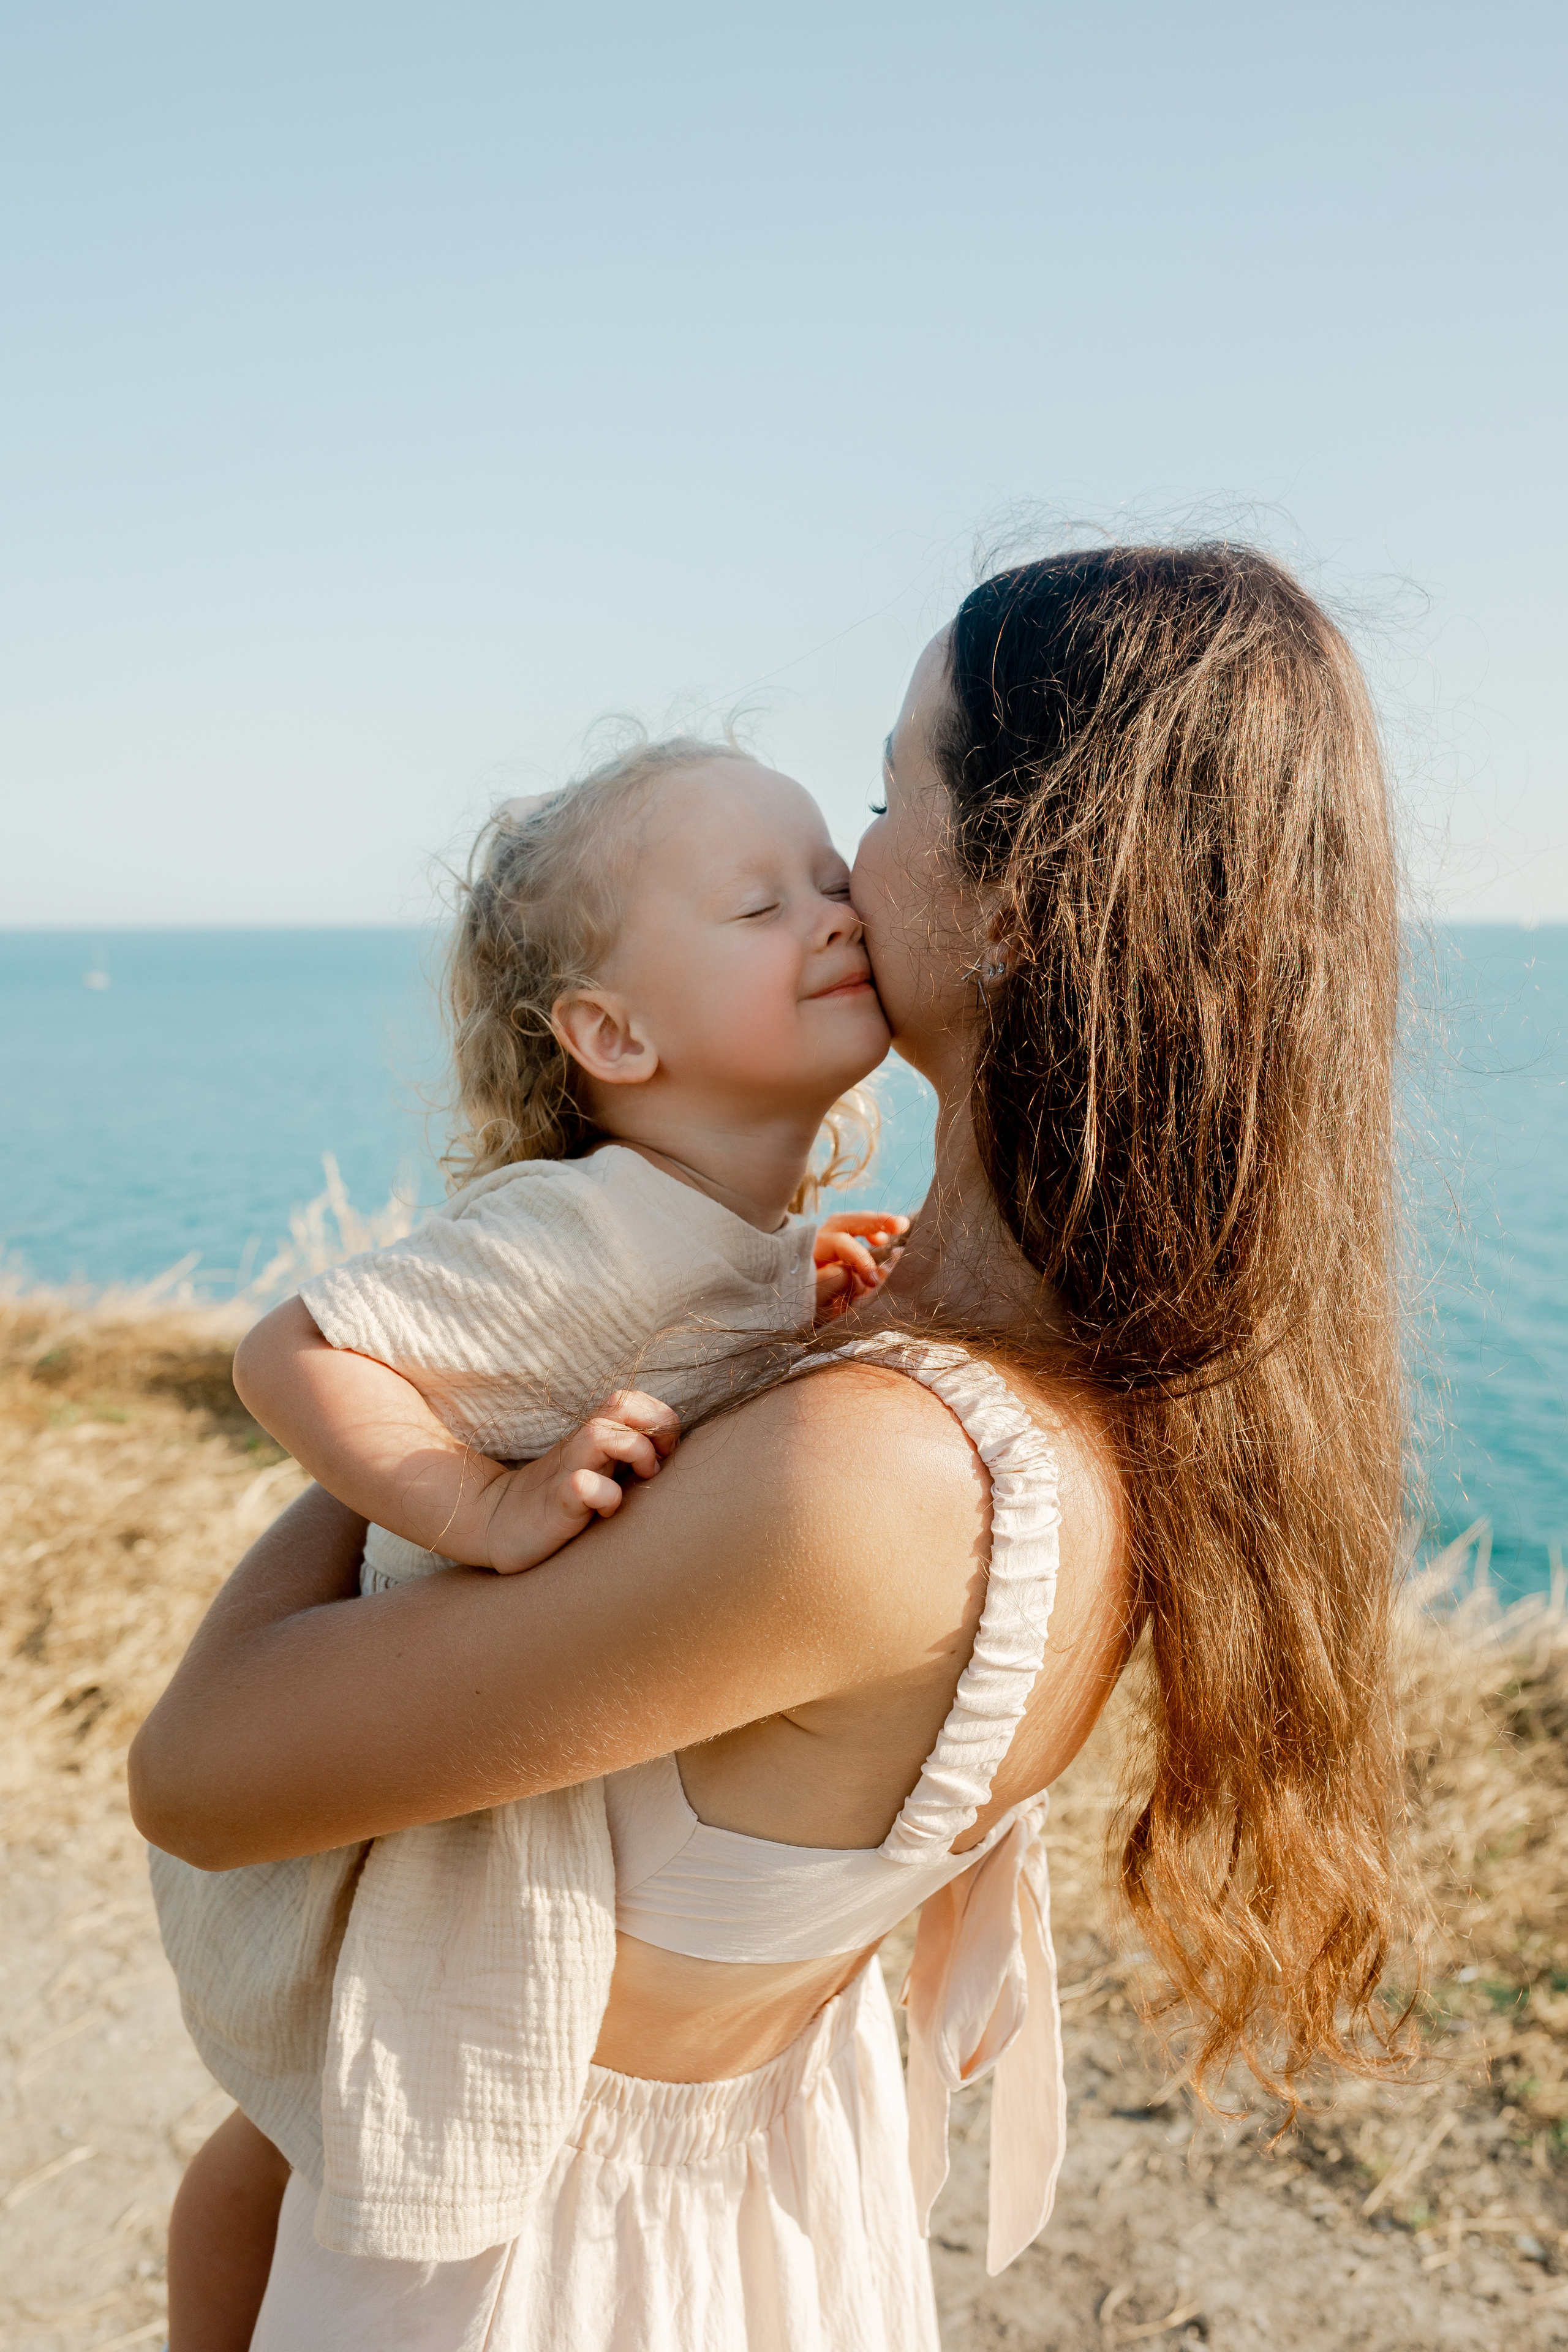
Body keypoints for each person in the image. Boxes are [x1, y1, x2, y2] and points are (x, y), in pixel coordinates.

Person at [132, 543, 1407, 2352]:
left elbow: (198, 1773)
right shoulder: (1085, 1385)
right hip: (741, 2214)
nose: (850, 868)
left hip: (542, 2276)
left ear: (1022, 898)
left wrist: (462, 1436)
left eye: (892, 796)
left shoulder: (874, 1477)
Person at [149, 736, 909, 2342]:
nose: (834, 915)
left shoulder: (722, 1228)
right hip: (400, 1772)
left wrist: (802, 1296)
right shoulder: (584, 1226)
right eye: (761, 904)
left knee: (293, 2149)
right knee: (305, 2146)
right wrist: (475, 1503)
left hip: (485, 1736)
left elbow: (689, 1361)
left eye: (833, 881)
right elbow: (294, 1352)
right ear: (613, 1035)